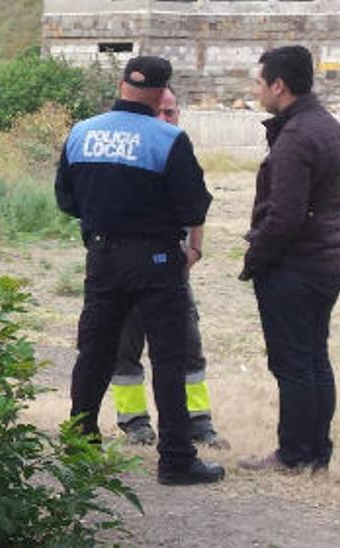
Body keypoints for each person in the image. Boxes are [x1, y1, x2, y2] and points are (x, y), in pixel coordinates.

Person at [55, 56, 223, 485]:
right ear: (162, 92)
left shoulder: (81, 133)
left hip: (102, 257)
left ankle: (80, 442)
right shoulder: (168, 139)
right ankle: (176, 459)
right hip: (155, 261)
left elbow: (66, 201)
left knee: (94, 352)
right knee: (168, 357)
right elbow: (192, 207)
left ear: (121, 84)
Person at [238, 46, 340, 473]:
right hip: (326, 260)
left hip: (297, 265)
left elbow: (284, 217)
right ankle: (315, 453)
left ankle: (293, 454)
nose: (256, 91)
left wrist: (255, 258)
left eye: (258, 82)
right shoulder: (327, 127)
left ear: (278, 85)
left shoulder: (297, 137)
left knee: (292, 362)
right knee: (313, 357)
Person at [109, 87, 229, 450]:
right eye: (159, 112)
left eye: (171, 112)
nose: (166, 119)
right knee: (125, 347)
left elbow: (196, 206)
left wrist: (195, 249)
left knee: (188, 347)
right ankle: (134, 423)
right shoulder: (126, 154)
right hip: (128, 266)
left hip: (171, 268)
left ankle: (198, 422)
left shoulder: (179, 151)